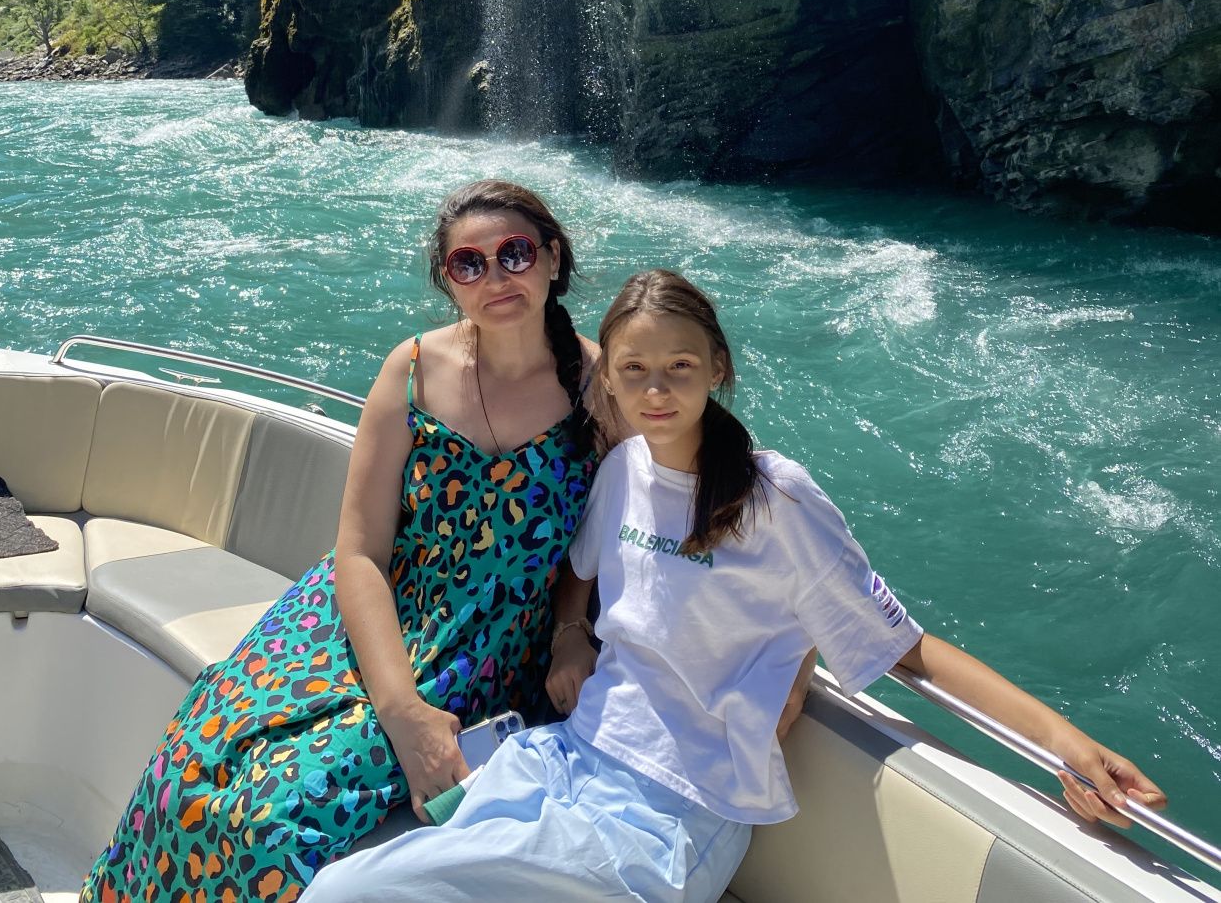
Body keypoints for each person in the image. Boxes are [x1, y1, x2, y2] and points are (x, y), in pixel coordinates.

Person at [302, 268, 1168, 903]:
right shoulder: (623, 471)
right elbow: (579, 572)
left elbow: (906, 651)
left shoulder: (773, 499)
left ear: (717, 367)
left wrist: (1066, 743)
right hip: (566, 760)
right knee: (340, 880)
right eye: (633, 371)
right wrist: (569, 637)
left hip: (673, 814)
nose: (655, 390)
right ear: (606, 378)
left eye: (678, 367)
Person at [80, 180, 597, 903]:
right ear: (448, 282)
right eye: (468, 264)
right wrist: (402, 712)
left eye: (514, 253)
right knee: (191, 765)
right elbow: (359, 552)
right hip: (358, 615)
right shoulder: (413, 370)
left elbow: (605, 535)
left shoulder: (603, 387)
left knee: (268, 821)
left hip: (483, 649)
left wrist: (571, 630)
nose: (495, 277)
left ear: (552, 257)